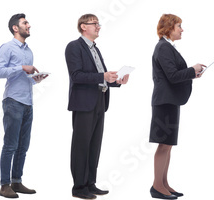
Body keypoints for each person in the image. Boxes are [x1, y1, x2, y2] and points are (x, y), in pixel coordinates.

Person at [65, 13, 130, 200]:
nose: (98, 26)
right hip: (84, 103)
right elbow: (76, 75)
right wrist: (103, 76)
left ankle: (90, 184)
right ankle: (78, 187)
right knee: (81, 146)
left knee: (94, 145)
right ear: (83, 26)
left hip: (100, 101)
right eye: (94, 24)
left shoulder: (95, 49)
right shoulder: (74, 47)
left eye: (98, 24)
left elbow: (100, 76)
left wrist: (116, 81)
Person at [149, 13, 203, 200]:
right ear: (169, 27)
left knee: (168, 145)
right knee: (163, 145)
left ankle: (164, 183)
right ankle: (157, 186)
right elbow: (172, 75)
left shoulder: (167, 47)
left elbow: (174, 74)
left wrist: (192, 74)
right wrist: (192, 70)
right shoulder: (163, 47)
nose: (181, 29)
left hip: (170, 101)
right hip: (164, 102)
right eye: (179, 26)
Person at [0, 13, 44, 199]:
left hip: (28, 101)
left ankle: (16, 181)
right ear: (16, 28)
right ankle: (4, 185)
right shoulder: (7, 47)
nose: (28, 25)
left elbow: (26, 78)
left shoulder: (29, 51)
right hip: (13, 101)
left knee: (23, 146)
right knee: (10, 145)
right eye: (25, 23)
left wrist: (35, 79)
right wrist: (21, 68)